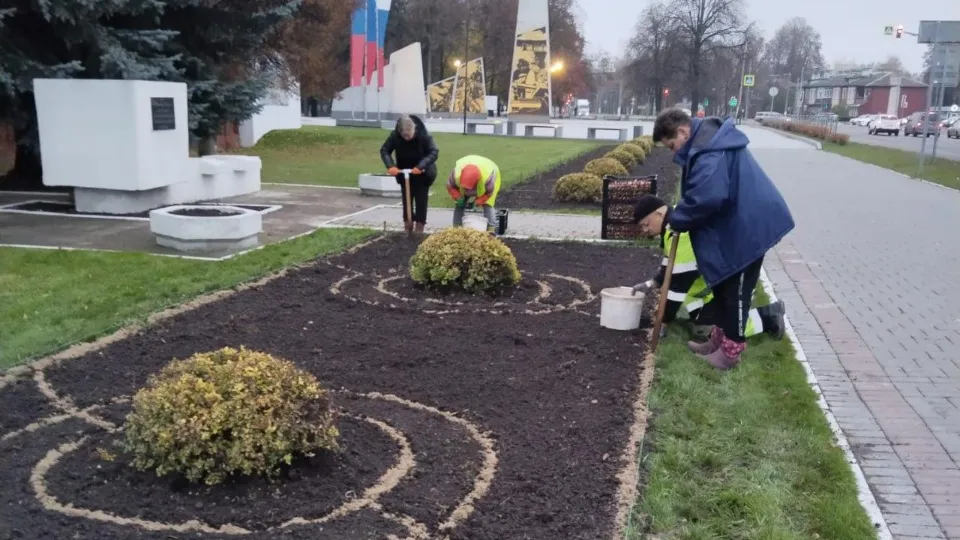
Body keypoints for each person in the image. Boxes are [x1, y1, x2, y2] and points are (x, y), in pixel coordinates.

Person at [650, 108, 794, 369]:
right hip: (737, 222)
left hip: (748, 227)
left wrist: (678, 218)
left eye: (672, 145)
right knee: (723, 287)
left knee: (736, 293)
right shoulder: (705, 144)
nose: (674, 152)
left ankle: (730, 353)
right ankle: (717, 341)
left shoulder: (710, 150)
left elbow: (708, 196)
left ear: (683, 131)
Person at [630, 194, 786, 345]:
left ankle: (768, 316)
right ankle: (710, 316)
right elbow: (669, 263)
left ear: (659, 213)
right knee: (700, 323)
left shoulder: (681, 234)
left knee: (708, 330)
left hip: (729, 283)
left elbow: (677, 288)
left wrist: (662, 323)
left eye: (646, 224)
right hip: (711, 286)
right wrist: (651, 284)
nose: (645, 230)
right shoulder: (674, 223)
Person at [380, 114, 439, 234]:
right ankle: (407, 223)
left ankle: (420, 225)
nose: (407, 138)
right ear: (400, 132)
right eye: (404, 136)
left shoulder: (424, 135)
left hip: (422, 173)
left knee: (421, 199)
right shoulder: (395, 136)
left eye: (409, 135)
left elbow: (434, 152)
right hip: (404, 171)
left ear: (414, 129)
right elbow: (385, 150)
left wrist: (421, 166)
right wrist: (390, 165)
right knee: (406, 198)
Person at [446, 155, 502, 233]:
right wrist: (458, 197)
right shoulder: (456, 174)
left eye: (469, 188)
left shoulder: (488, 178)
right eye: (466, 188)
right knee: (459, 204)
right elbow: (450, 186)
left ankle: (491, 230)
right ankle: (456, 230)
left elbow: (488, 193)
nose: (468, 191)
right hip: (466, 180)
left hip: (491, 175)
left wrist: (478, 201)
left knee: (488, 204)